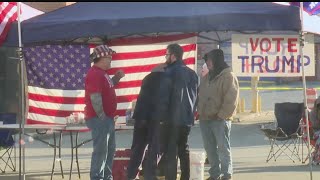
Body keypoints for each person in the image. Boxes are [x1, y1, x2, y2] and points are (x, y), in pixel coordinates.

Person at [84, 45, 125, 180]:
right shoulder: (95, 73)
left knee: (108, 150)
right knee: (102, 151)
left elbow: (107, 88)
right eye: (109, 58)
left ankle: (106, 177)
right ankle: (98, 177)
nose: (111, 60)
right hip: (100, 118)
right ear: (101, 58)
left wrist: (117, 78)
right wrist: (102, 116)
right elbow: (95, 96)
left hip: (105, 118)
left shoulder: (102, 73)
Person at [197, 49, 239, 180]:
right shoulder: (206, 77)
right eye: (207, 60)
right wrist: (199, 111)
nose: (207, 63)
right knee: (210, 149)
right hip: (205, 119)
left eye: (209, 60)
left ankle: (226, 174)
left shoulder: (229, 76)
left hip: (220, 120)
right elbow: (201, 95)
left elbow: (231, 99)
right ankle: (214, 174)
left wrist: (221, 115)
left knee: (223, 148)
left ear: (216, 60)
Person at [127, 65, 172, 180]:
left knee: (138, 148)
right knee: (155, 148)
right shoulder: (168, 79)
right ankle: (149, 175)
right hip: (156, 118)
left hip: (141, 117)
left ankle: (131, 175)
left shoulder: (147, 78)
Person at [161, 43, 199, 180]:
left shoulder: (169, 72)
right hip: (187, 119)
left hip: (171, 118)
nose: (165, 57)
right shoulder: (192, 74)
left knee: (171, 151)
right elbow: (196, 98)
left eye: (166, 54)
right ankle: (185, 177)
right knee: (184, 150)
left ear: (173, 56)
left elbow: (164, 97)